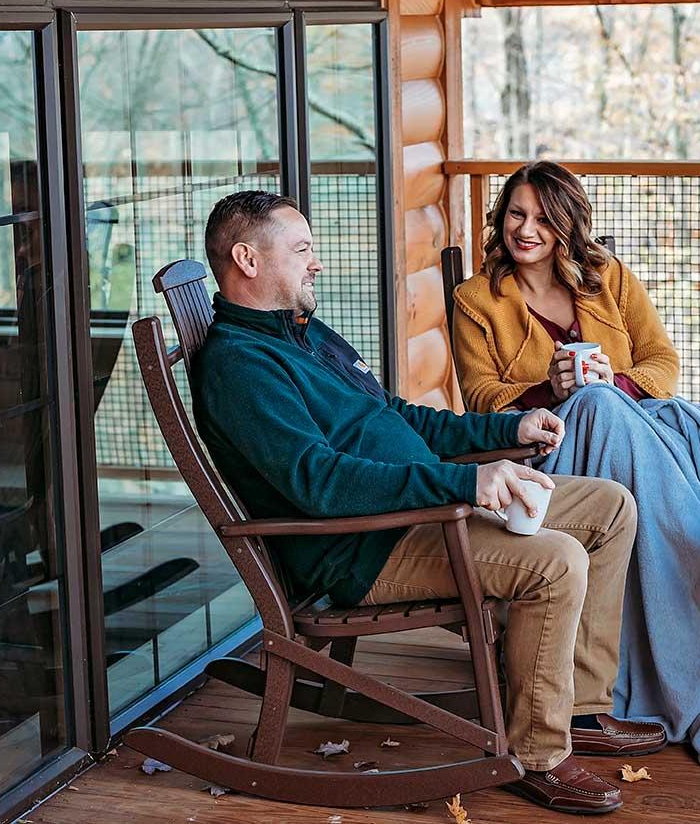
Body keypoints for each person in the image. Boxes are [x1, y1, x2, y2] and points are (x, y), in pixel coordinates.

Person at [190, 190, 666, 815]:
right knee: (555, 562)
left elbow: (397, 416)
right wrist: (463, 484)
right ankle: (539, 754)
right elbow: (318, 483)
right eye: (302, 250)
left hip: (422, 510)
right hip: (364, 548)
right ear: (248, 260)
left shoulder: (301, 333)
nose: (317, 263)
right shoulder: (239, 366)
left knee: (609, 507)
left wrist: (508, 428)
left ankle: (576, 708)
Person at [451, 161, 700, 778]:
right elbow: (481, 401)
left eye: (542, 218)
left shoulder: (606, 275)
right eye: (515, 214)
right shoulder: (476, 301)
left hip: (642, 428)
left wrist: (619, 382)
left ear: (567, 224)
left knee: (625, 412)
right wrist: (550, 392)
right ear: (500, 219)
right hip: (551, 453)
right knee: (596, 408)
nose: (525, 229)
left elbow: (663, 360)